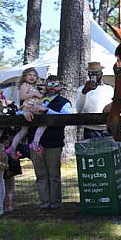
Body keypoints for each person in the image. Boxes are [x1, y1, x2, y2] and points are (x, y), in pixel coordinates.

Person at [23, 75, 72, 209]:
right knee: (40, 175)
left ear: (60, 87)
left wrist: (46, 110)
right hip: (35, 143)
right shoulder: (35, 100)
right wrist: (24, 113)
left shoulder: (64, 102)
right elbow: (20, 110)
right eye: (49, 85)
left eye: (55, 85)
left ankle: (55, 203)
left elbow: (66, 117)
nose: (51, 88)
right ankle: (44, 203)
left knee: (54, 175)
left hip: (53, 143)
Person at [6, 68, 47, 157]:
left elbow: (41, 97)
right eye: (30, 75)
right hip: (28, 107)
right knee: (44, 122)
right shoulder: (25, 85)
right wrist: (35, 94)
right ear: (25, 77)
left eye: (34, 75)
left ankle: (14, 147)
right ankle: (33, 143)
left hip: (35, 107)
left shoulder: (36, 87)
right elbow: (22, 96)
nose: (32, 77)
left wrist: (42, 92)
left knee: (25, 130)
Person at [75, 61, 114, 139]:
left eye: (97, 73)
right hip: (90, 128)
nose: (94, 76)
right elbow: (79, 109)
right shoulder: (81, 89)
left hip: (107, 127)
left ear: (101, 74)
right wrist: (84, 92)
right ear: (88, 74)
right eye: (91, 73)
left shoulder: (109, 89)